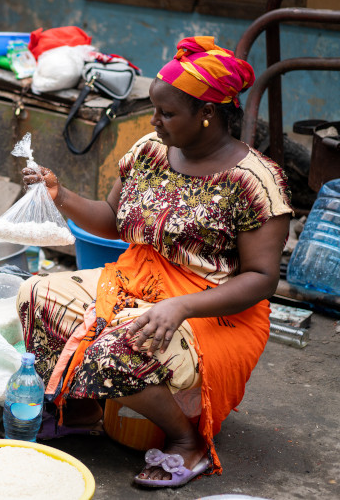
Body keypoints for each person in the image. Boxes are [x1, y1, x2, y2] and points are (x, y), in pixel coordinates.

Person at [17, 36, 291, 488]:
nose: (154, 121)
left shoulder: (256, 181)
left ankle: (188, 441)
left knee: (117, 349)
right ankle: (82, 411)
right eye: (154, 109)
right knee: (36, 294)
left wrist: (180, 308)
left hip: (212, 309)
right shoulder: (149, 152)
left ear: (207, 114)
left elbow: (262, 279)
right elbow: (112, 220)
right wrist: (60, 196)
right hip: (136, 282)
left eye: (167, 113)